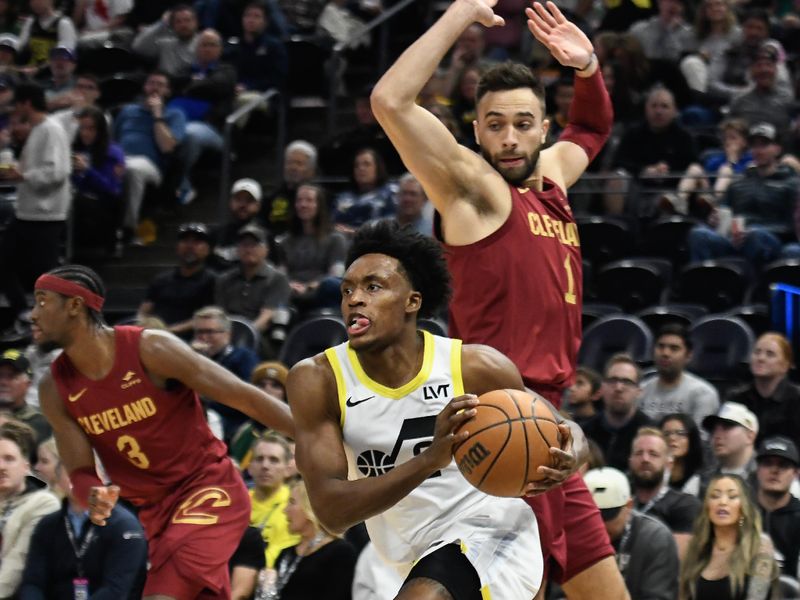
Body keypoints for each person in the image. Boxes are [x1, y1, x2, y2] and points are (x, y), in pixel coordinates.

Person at [370, 1, 624, 597]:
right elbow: (390, 101)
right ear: (475, 128)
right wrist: (459, 13)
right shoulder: (473, 191)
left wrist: (587, 68)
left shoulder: (554, 179)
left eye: (522, 123)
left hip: (551, 423)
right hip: (502, 417)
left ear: (541, 126)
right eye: (493, 124)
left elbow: (590, 128)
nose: (508, 138)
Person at [288, 221, 553, 599]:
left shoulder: (473, 367)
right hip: (404, 552)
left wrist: (567, 453)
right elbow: (332, 513)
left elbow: (560, 427)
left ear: (412, 301)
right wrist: (430, 459)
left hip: (488, 526)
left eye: (373, 287)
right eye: (347, 289)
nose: (354, 299)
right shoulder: (318, 379)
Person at [33, 264, 293, 599]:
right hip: (154, 511)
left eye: (42, 302)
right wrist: (92, 494)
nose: (32, 314)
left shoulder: (150, 349)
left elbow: (244, 397)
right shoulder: (54, 388)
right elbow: (80, 470)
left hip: (207, 487)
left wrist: (317, 435)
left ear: (74, 306)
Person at [20, 436, 148, 599]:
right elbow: (33, 583)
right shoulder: (47, 525)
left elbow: (116, 590)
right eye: (71, 471)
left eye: (89, 472)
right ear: (58, 478)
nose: (80, 480)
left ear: (103, 478)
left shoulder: (125, 526)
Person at [0, 82, 71, 324]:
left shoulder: (51, 129)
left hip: (45, 215)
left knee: (47, 277)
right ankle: (24, 311)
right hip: (28, 213)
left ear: (26, 103)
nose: (15, 110)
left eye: (17, 104)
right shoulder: (40, 129)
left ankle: (52, 322)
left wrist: (24, 176)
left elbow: (58, 172)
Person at [584, 467, 679, 600]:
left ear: (628, 506)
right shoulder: (574, 536)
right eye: (592, 517)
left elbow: (658, 596)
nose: (601, 525)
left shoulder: (656, 538)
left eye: (607, 516)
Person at [679, 473, 779, 600]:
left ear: (744, 508)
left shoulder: (760, 548)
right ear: (707, 507)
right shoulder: (695, 549)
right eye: (715, 496)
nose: (722, 502)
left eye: (732, 496)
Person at [113, 71, 186, 238]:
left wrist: (157, 116)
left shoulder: (174, 114)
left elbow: (167, 147)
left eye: (160, 85)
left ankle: (128, 228)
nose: (155, 88)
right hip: (121, 158)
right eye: (151, 83)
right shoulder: (128, 111)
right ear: (145, 87)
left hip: (150, 166)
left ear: (167, 91)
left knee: (133, 169)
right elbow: (113, 140)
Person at [260, 478, 356, 599]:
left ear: (311, 507)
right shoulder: (285, 554)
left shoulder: (340, 552)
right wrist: (267, 589)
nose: (285, 510)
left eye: (292, 502)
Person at [0, 420, 60, 597]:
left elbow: (17, 563)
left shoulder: (43, 503)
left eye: (9, 459)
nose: (1, 467)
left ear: (25, 466)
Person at [629, 427, 701, 558]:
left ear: (669, 464)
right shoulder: (621, 504)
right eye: (639, 453)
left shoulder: (686, 505)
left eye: (653, 454)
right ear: (630, 461)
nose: (645, 459)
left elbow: (675, 562)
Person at [190, 305, 259, 439]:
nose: (204, 337)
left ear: (227, 334)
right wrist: (192, 359)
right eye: (199, 332)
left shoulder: (243, 358)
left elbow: (247, 399)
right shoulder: (190, 358)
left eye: (210, 332)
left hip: (230, 424)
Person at [276, 183, 347, 311]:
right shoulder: (284, 242)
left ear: (319, 205)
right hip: (291, 294)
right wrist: (290, 285)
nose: (303, 205)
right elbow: (281, 274)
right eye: (299, 200)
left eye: (309, 200)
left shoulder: (336, 239)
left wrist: (311, 286)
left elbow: (336, 274)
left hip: (321, 292)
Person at [139, 222, 218, 337]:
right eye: (185, 241)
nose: (190, 246)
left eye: (197, 242)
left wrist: (169, 331)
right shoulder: (161, 279)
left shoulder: (213, 281)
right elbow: (144, 310)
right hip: (155, 337)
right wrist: (145, 324)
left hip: (192, 341)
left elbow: (209, 316)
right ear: (177, 247)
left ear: (208, 250)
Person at [726, 332, 800, 451]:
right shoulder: (736, 397)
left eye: (770, 354)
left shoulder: (796, 399)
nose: (760, 358)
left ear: (785, 365)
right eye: (757, 352)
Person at [215, 224, 291, 335]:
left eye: (254, 244)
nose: (248, 249)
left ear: (266, 249)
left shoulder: (278, 279)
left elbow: (266, 316)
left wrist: (244, 335)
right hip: (226, 333)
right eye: (244, 245)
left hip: (260, 334)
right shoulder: (224, 279)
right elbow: (220, 314)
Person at [639, 323, 720, 428]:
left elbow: (701, 440)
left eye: (674, 348)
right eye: (660, 346)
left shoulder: (703, 394)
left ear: (688, 355)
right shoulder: (641, 390)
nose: (665, 353)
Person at [70, 105, 126, 254]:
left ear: (100, 130)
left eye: (91, 129)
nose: (85, 133)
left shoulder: (113, 152)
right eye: (82, 128)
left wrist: (87, 170)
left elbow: (111, 189)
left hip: (105, 207)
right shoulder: (75, 149)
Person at [583, 353, 654, 471]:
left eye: (627, 382)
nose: (618, 388)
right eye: (612, 380)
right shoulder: (585, 432)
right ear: (602, 387)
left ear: (639, 391)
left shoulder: (651, 433)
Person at [247, 433, 301, 569]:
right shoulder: (235, 502)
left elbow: (279, 560)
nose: (265, 466)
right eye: (259, 459)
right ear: (250, 467)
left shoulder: (295, 508)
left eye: (274, 460)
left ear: (287, 469)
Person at [754, 436, 800, 579]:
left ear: (795, 474)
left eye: (783, 465)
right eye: (768, 463)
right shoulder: (741, 512)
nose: (775, 470)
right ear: (758, 469)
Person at [699, 402, 760, 495]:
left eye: (727, 427)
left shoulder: (764, 477)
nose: (717, 435)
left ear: (749, 436)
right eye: (713, 429)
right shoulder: (704, 479)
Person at [333, 147, 398, 233]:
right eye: (357, 165)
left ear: (378, 168)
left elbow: (393, 225)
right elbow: (333, 224)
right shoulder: (343, 197)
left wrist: (356, 233)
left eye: (367, 164)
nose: (361, 168)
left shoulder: (391, 192)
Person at [0, 348, 51, 449]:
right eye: (0, 375)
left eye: (11, 376)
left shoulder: (39, 424)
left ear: (28, 384)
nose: (3, 382)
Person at [132, 4, 199, 78]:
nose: (183, 25)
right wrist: (162, 23)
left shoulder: (204, 42)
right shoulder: (165, 44)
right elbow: (138, 47)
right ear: (173, 26)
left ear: (195, 22)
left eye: (187, 20)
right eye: (178, 22)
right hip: (166, 85)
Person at [660, 413, 705, 496]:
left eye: (680, 433)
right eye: (666, 434)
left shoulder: (702, 478)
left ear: (691, 439)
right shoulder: (654, 473)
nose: (672, 438)